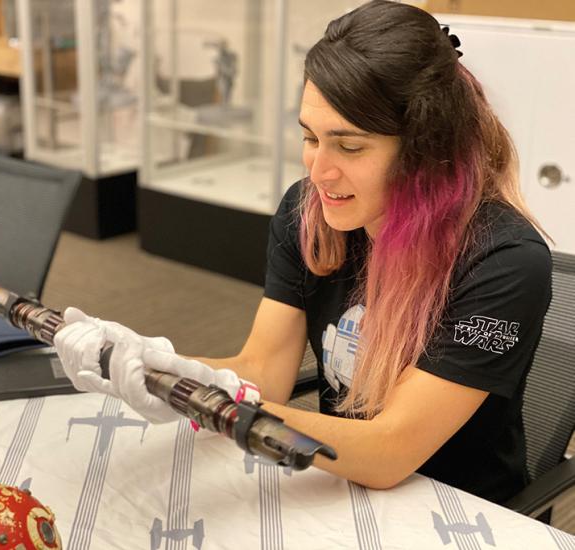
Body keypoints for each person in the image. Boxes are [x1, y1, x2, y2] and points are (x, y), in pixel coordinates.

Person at [54, 0, 552, 505]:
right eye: (310, 137)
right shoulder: (311, 215)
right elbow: (266, 371)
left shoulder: (502, 261)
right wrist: (153, 366)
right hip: (342, 482)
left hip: (455, 506)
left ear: (425, 153)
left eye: (350, 147)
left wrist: (216, 401)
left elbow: (389, 453)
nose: (319, 172)